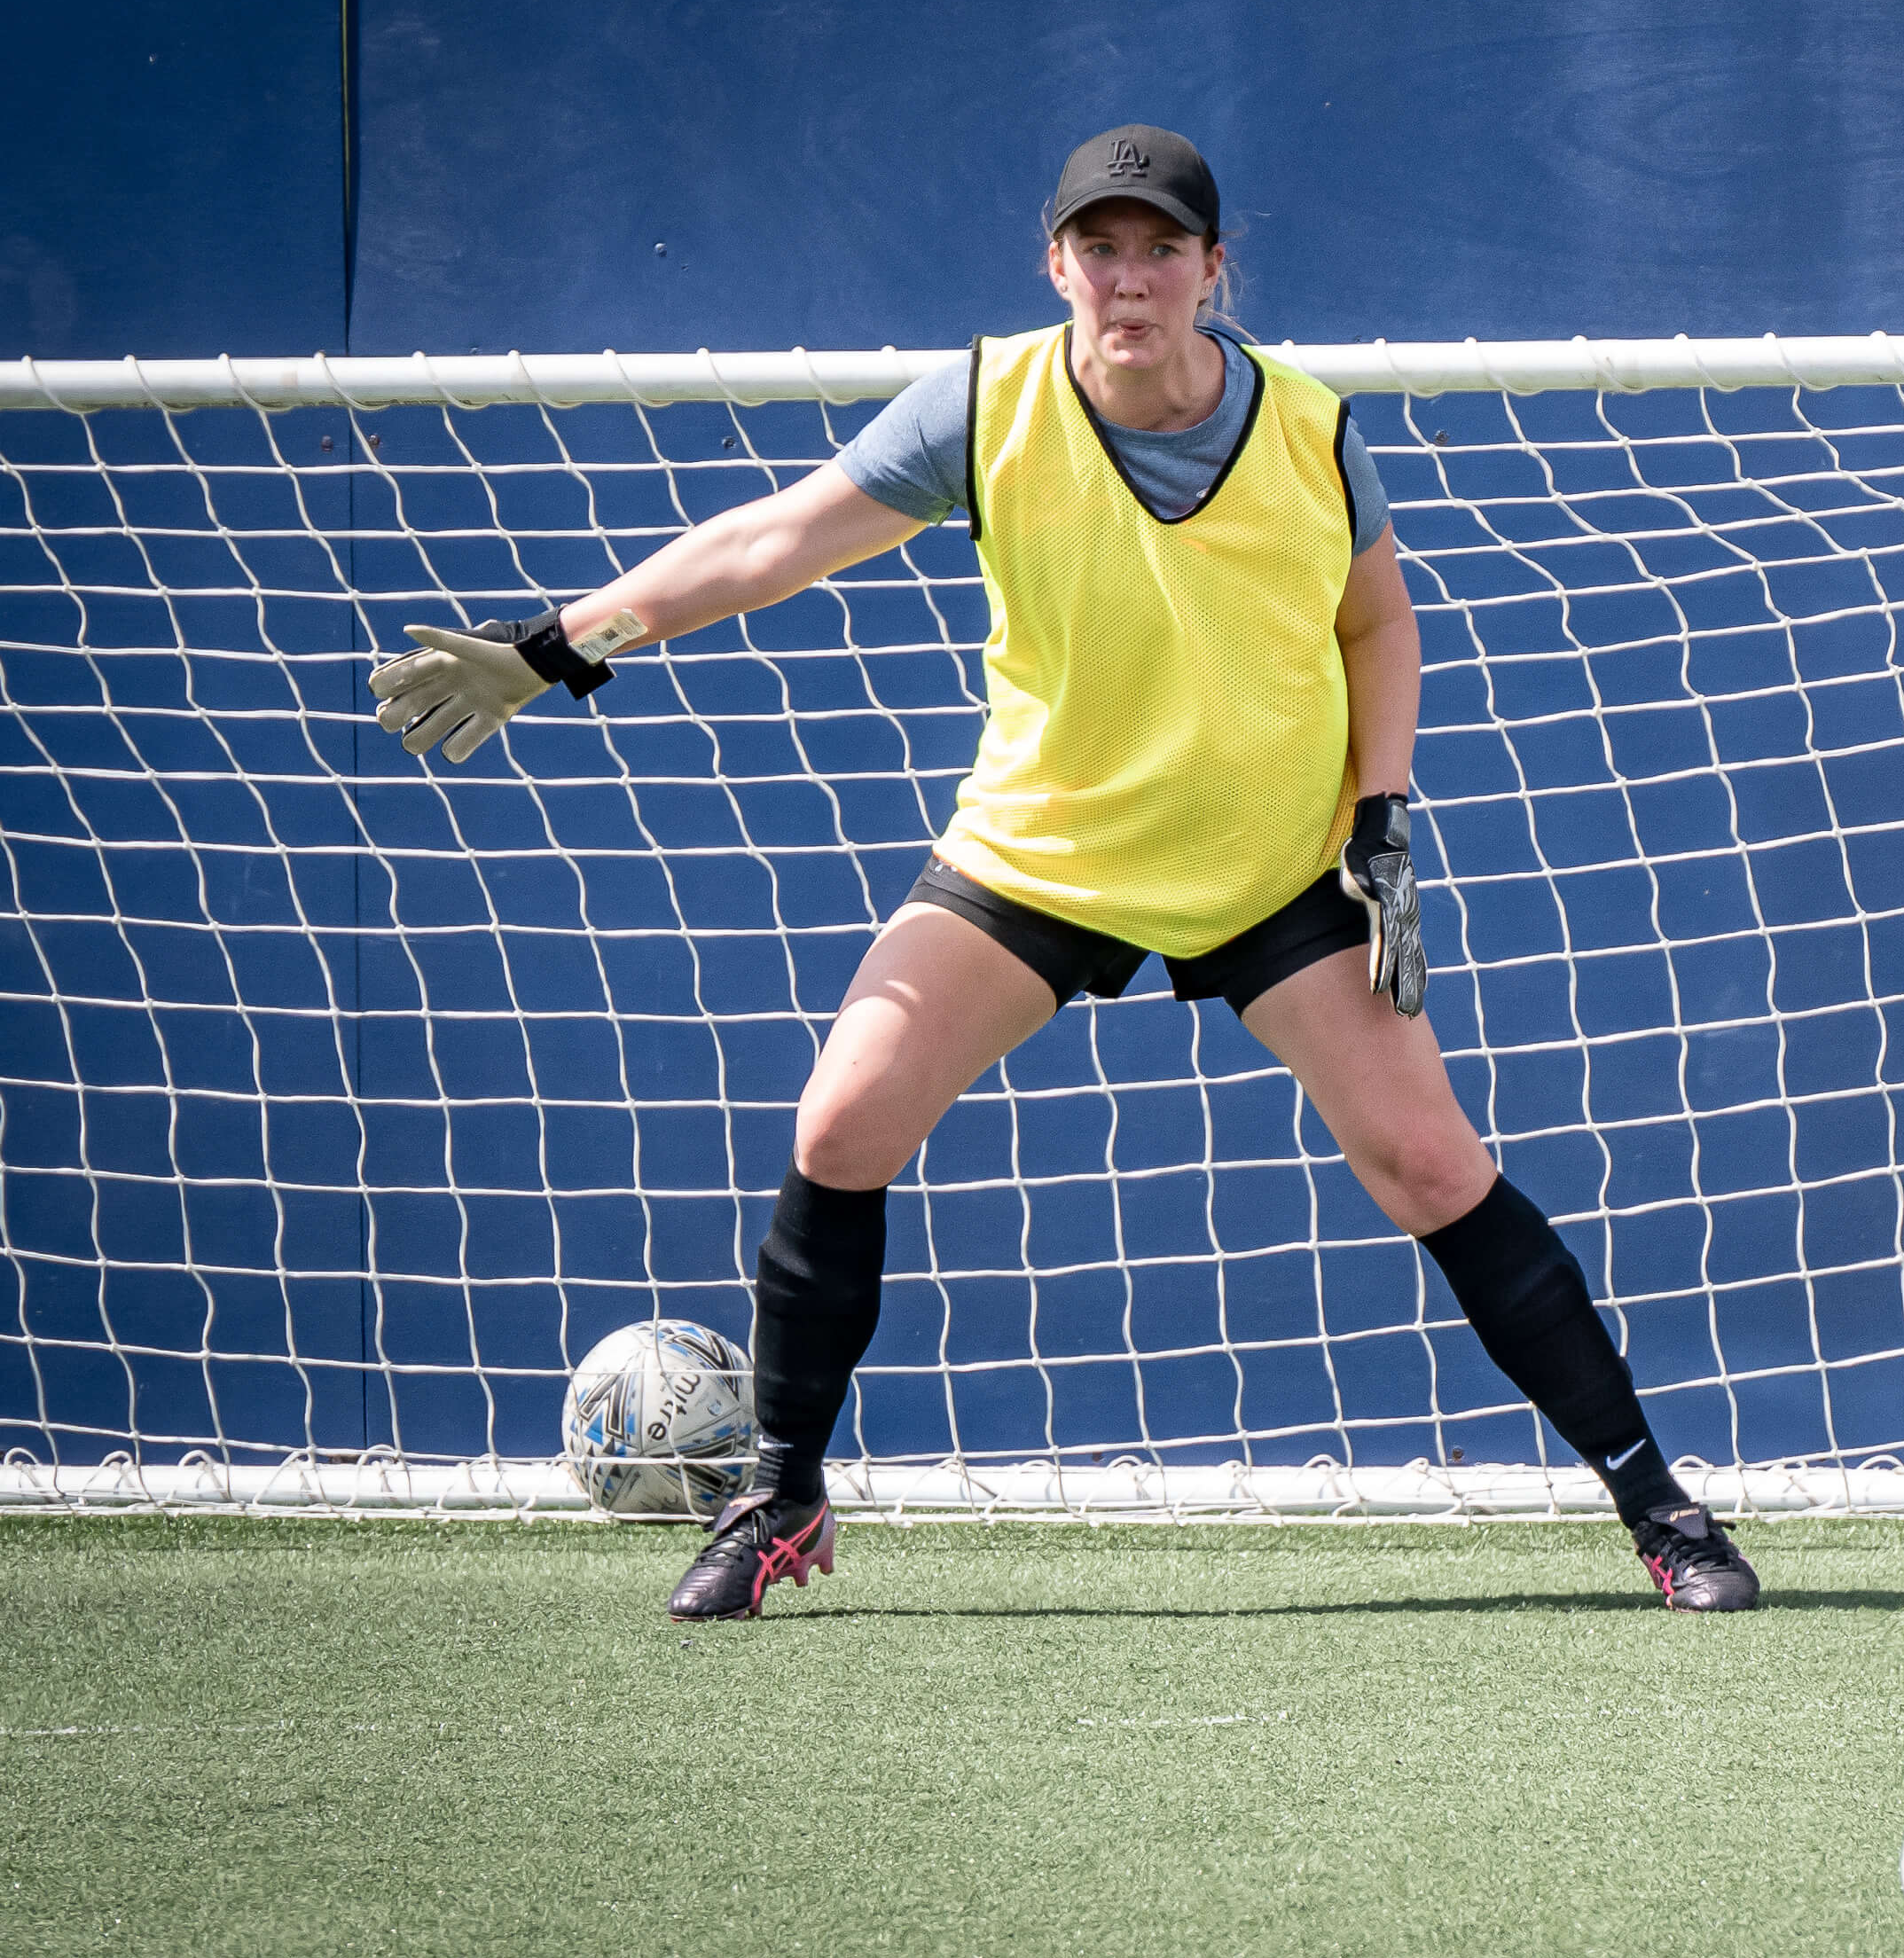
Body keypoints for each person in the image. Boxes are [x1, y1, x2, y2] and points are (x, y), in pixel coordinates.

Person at [369, 124, 1761, 1619]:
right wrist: (557, 645)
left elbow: (1377, 623)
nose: (1130, 276)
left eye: (1162, 247)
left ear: (1216, 271)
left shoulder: (1305, 427)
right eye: (1100, 247)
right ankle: (780, 1496)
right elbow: (778, 541)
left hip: (1271, 865)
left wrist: (1382, 819)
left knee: (1428, 1165)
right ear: (1057, 265)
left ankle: (1659, 1505)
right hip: (1042, 853)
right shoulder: (984, 404)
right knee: (842, 1120)